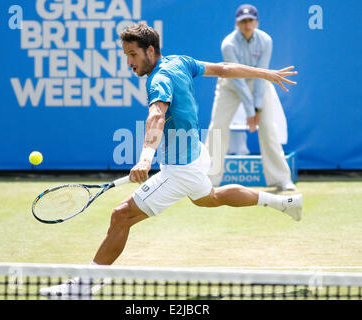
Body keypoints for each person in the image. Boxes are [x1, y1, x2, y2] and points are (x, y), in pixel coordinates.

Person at [40, 22, 301, 298]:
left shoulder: (158, 79)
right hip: (198, 153)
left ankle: (82, 287)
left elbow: (157, 116)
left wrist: (144, 158)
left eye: (133, 54)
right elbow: (223, 69)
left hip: (180, 170)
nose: (129, 62)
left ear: (150, 51)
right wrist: (266, 74)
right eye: (126, 55)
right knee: (209, 198)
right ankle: (284, 203)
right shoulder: (180, 62)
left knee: (121, 215)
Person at [205, 4, 296, 191]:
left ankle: (281, 179)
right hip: (230, 85)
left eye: (250, 20)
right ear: (237, 23)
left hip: (259, 83)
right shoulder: (228, 44)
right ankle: (209, 180)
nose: (247, 24)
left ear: (257, 22)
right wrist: (250, 111)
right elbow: (237, 80)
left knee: (269, 128)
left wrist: (258, 108)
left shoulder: (265, 40)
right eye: (243, 21)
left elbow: (262, 75)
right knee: (217, 127)